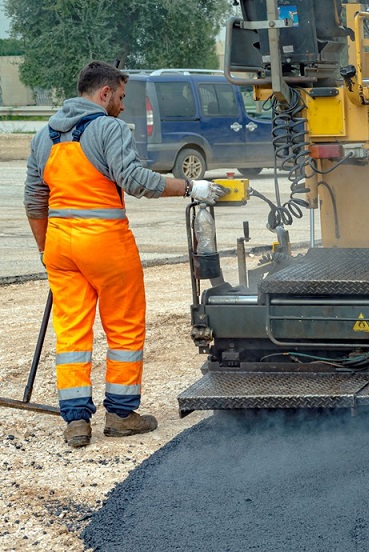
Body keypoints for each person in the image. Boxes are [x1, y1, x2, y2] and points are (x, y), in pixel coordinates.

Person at [24, 61, 226, 448]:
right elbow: (135, 181)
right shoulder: (109, 128)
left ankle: (77, 422)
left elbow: (35, 200)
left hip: (60, 247)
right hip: (105, 244)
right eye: (120, 96)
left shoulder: (44, 136)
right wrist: (189, 188)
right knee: (124, 328)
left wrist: (44, 249)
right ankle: (120, 414)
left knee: (71, 333)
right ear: (104, 94)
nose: (121, 104)